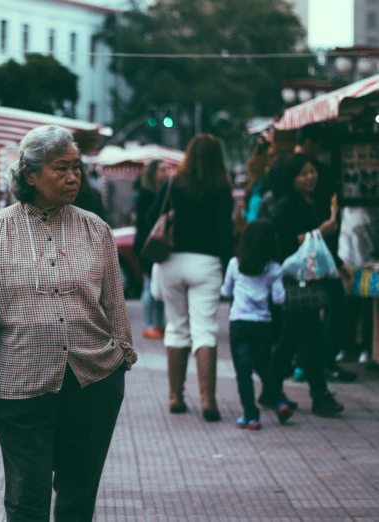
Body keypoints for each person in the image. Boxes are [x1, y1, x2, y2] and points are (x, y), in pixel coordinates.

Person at [0, 125, 136, 521]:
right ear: (30, 175)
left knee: (77, 494)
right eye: (60, 169)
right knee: (26, 496)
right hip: (21, 383)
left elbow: (114, 303)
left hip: (92, 381)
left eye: (76, 168)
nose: (73, 177)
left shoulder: (96, 230)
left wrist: (123, 354)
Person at [148, 134, 234, 422]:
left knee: (176, 327)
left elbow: (149, 217)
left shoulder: (174, 183)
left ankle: (175, 398)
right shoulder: (222, 189)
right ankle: (208, 401)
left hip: (172, 260)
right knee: (205, 329)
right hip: (206, 263)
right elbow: (225, 234)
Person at [271, 153, 347, 416]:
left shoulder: (312, 202)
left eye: (312, 171)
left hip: (312, 278)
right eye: (303, 174)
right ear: (291, 179)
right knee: (302, 338)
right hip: (296, 281)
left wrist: (337, 264)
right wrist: (320, 232)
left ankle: (274, 390)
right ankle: (317, 394)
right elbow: (285, 243)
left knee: (295, 339)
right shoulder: (287, 205)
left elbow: (319, 249)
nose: (310, 177)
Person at [221, 220, 294, 430]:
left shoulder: (235, 264)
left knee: (243, 371)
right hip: (262, 325)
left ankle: (251, 416)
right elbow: (280, 299)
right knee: (264, 366)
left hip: (239, 324)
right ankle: (280, 402)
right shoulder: (274, 268)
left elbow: (225, 292)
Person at [132, 159, 168, 340]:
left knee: (159, 284)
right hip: (148, 245)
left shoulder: (163, 193)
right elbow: (145, 222)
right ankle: (149, 323)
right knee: (149, 284)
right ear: (153, 172)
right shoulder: (146, 195)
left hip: (157, 244)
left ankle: (159, 322)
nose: (165, 172)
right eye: (161, 169)